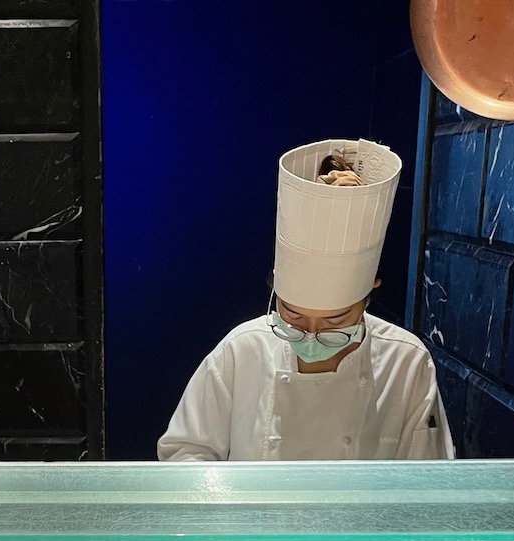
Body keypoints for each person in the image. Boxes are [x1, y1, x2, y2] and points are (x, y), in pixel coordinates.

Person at [158, 139, 454, 462]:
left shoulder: (407, 364)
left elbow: (429, 485)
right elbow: (185, 453)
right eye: (293, 317)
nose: (311, 338)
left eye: (335, 322)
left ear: (369, 293)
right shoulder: (242, 351)